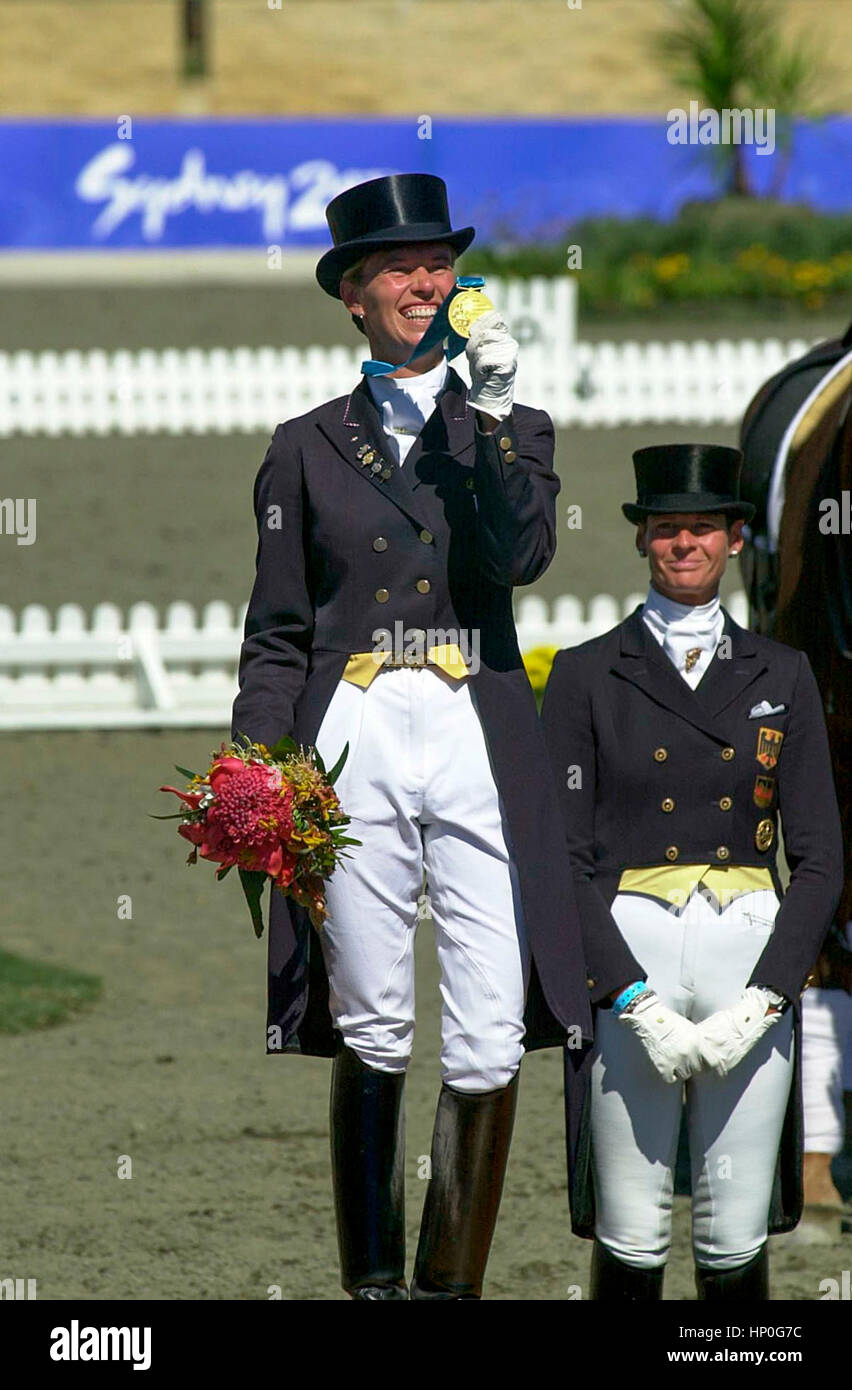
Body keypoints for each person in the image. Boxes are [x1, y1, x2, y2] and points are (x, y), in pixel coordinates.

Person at [230, 173, 591, 1300]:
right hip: (355, 731)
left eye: (439, 264)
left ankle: (451, 1286)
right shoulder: (302, 448)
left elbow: (519, 558)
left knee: (489, 1031)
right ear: (354, 295)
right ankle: (375, 1287)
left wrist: (490, 420)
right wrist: (257, 764)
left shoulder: (508, 427)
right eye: (400, 267)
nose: (425, 282)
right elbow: (278, 629)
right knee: (375, 1021)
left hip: (473, 719)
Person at [541, 443, 844, 1300]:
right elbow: (562, 858)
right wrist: (627, 999)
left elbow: (819, 858)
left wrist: (768, 997)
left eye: (703, 529)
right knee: (631, 1224)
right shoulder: (585, 674)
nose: (685, 544)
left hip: (747, 961)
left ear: (735, 540)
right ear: (643, 539)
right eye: (668, 528)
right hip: (630, 962)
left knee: (734, 1226)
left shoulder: (783, 673)